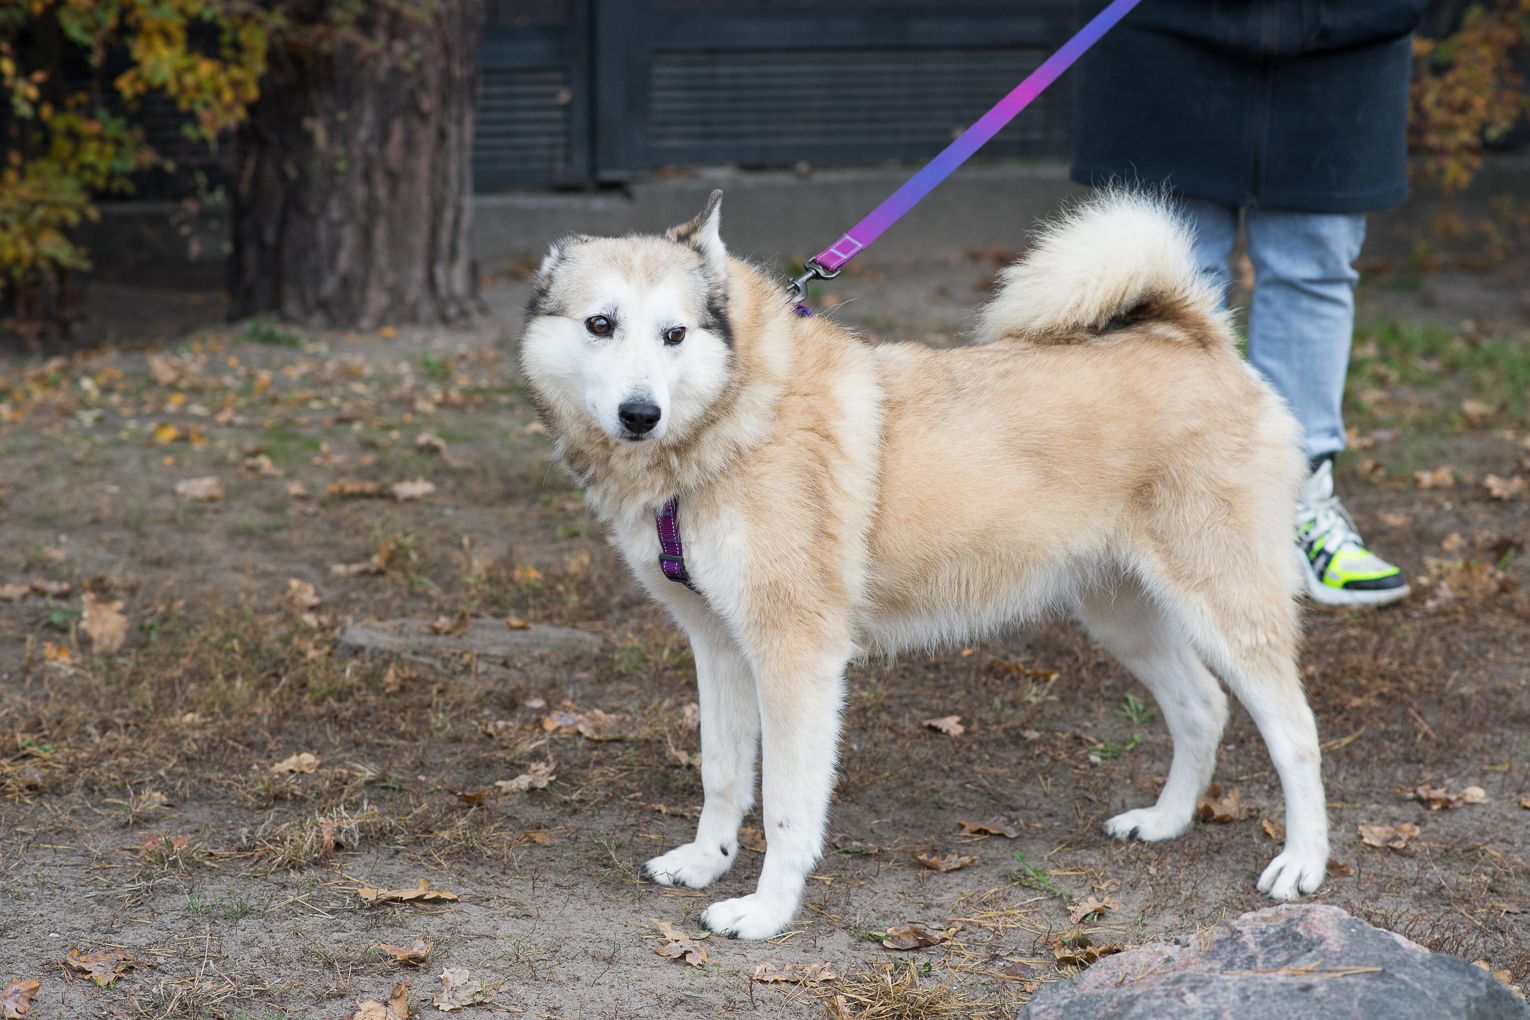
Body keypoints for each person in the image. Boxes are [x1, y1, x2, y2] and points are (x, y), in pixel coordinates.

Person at [1071, 1, 1429, 607]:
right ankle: (1159, 502)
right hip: (1167, 33)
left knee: (1314, 264)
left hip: (1345, 31)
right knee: (1171, 271)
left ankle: (1296, 502)